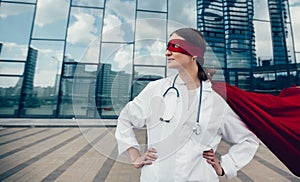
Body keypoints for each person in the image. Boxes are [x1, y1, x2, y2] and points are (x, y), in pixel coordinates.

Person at [115, 28, 259, 181]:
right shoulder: (155, 90)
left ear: (194, 53)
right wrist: (134, 155)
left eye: (174, 47)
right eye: (167, 47)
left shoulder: (217, 100)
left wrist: (225, 166)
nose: (167, 53)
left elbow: (248, 139)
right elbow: (126, 119)